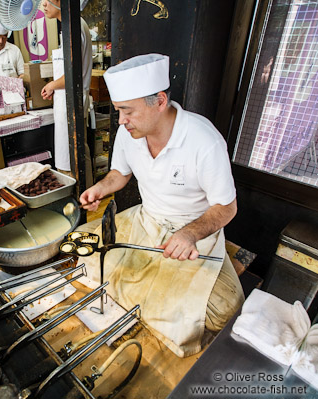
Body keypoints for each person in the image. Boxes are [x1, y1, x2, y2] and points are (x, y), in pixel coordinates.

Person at [79, 54, 244, 357]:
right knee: (82, 249)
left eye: (127, 111)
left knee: (226, 310)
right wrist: (100, 189)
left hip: (191, 234)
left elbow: (227, 207)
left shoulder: (203, 140)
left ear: (159, 100)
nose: (121, 121)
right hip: (146, 220)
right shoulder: (130, 132)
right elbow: (119, 174)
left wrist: (191, 234)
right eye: (118, 112)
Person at [40, 0, 93, 188]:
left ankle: (81, 196)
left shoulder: (75, 27)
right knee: (76, 152)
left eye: (47, 0)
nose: (43, 5)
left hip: (72, 101)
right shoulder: (71, 26)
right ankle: (82, 193)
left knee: (75, 155)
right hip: (67, 100)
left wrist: (52, 85)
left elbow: (73, 74)